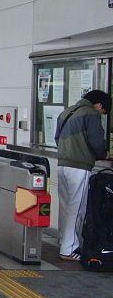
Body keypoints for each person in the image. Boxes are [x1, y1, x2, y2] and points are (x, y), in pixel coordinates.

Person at [54, 89, 111, 260]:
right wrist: (105, 154)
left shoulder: (67, 111)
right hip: (78, 166)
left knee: (65, 207)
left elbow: (57, 138)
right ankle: (69, 249)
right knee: (76, 208)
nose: (102, 113)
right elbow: (97, 142)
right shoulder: (91, 114)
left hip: (63, 164)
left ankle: (64, 242)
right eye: (104, 110)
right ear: (99, 105)